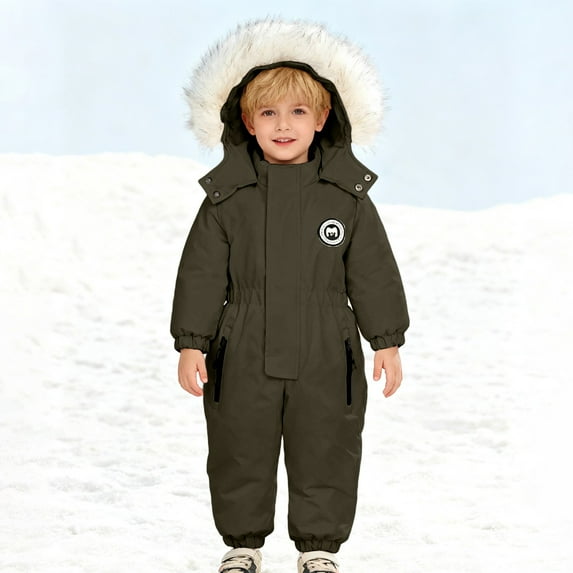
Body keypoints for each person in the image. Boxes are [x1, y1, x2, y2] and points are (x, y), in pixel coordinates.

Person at [170, 18, 410, 573]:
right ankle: (242, 546)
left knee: (326, 441)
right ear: (245, 121)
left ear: (323, 118)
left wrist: (386, 339)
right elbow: (202, 272)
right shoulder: (228, 199)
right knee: (238, 444)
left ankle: (318, 548)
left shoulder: (345, 198)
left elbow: (372, 270)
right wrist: (192, 342)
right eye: (268, 113)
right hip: (242, 344)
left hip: (327, 346)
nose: (284, 125)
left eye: (299, 111)